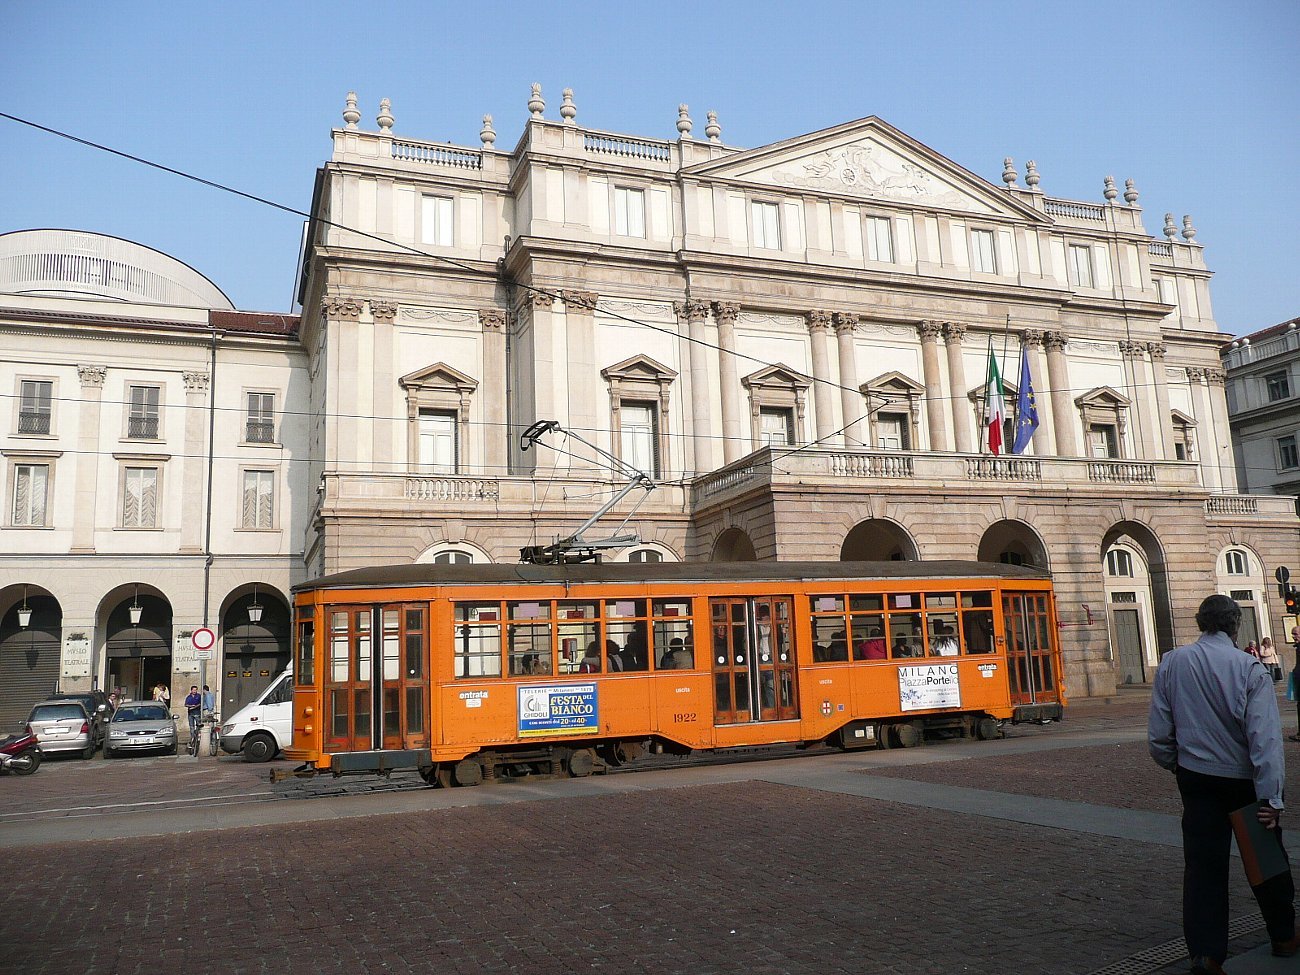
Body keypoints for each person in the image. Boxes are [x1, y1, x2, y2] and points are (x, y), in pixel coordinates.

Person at [1148, 594, 1297, 974]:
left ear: (1201, 622)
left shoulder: (1172, 662)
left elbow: (1160, 734)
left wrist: (1177, 764)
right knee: (1265, 861)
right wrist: (1271, 797)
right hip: (1244, 780)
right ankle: (1283, 935)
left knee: (1203, 868)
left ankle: (1206, 954)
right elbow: (1264, 739)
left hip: (1196, 777)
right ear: (1236, 624)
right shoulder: (1249, 668)